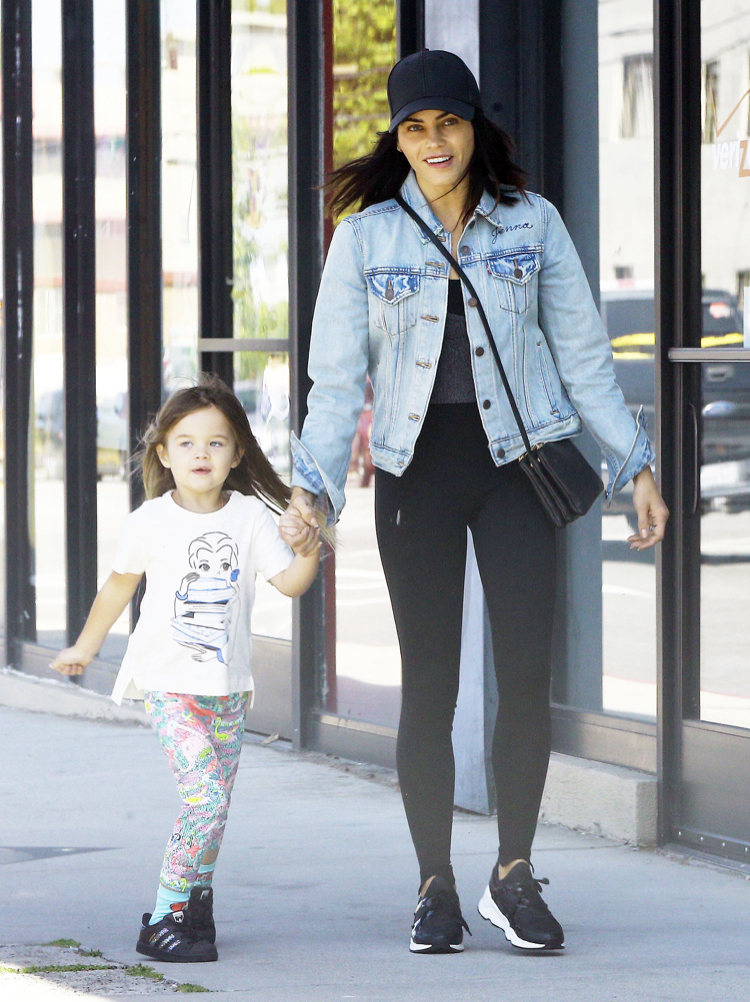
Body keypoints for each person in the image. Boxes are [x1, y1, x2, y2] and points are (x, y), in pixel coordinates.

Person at [283, 49, 669, 956]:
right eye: (415, 127)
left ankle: (513, 873)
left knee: (525, 677)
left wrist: (635, 467)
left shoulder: (532, 222)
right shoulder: (365, 239)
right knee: (430, 684)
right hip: (415, 474)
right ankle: (435, 885)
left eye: (447, 123)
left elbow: (584, 357)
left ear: (472, 127)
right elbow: (334, 383)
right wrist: (313, 489)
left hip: (518, 472)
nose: (434, 141)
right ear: (398, 138)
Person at [51, 375, 320, 963]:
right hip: (168, 686)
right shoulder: (150, 520)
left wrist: (309, 548)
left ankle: (196, 908)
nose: (202, 453)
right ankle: (163, 917)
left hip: (228, 690)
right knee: (205, 800)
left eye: (216, 443)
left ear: (237, 454)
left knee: (215, 812)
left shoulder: (250, 518)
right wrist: (85, 649)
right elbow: (117, 587)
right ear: (165, 453)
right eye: (187, 442)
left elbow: (291, 583)